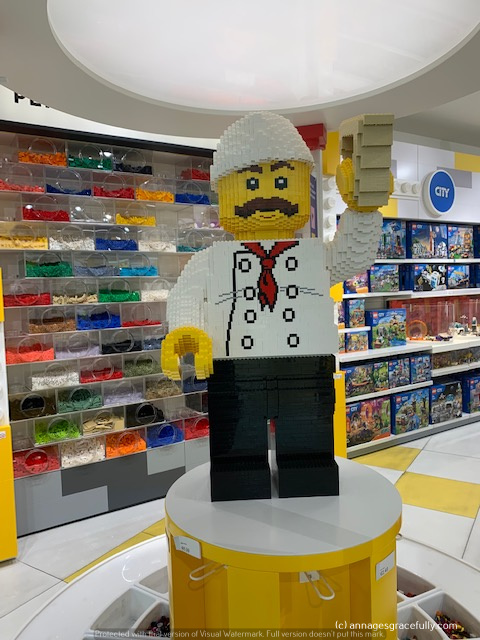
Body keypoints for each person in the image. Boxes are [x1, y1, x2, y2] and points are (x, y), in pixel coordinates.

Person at [162, 111, 393, 500]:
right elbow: (186, 294)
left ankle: (308, 468)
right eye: (251, 183)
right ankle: (238, 473)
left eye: (283, 182)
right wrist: (186, 329)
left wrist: (362, 210)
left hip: (306, 363)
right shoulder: (211, 260)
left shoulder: (315, 255)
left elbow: (354, 255)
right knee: (237, 437)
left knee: (308, 434)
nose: (267, 197)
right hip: (234, 366)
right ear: (224, 190)